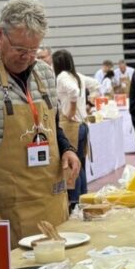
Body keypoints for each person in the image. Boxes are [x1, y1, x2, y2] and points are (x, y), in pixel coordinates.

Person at [0, 0, 81, 241]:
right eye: (20, 49)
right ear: (0, 34)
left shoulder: (44, 73)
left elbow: (52, 126)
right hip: (6, 211)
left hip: (51, 204)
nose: (28, 57)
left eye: (34, 50)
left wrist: (67, 148)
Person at [52, 49, 89, 209]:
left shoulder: (62, 77)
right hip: (82, 125)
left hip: (72, 125)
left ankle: (74, 200)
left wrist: (71, 110)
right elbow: (95, 85)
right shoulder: (78, 76)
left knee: (74, 164)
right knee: (80, 163)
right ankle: (83, 197)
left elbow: (74, 92)